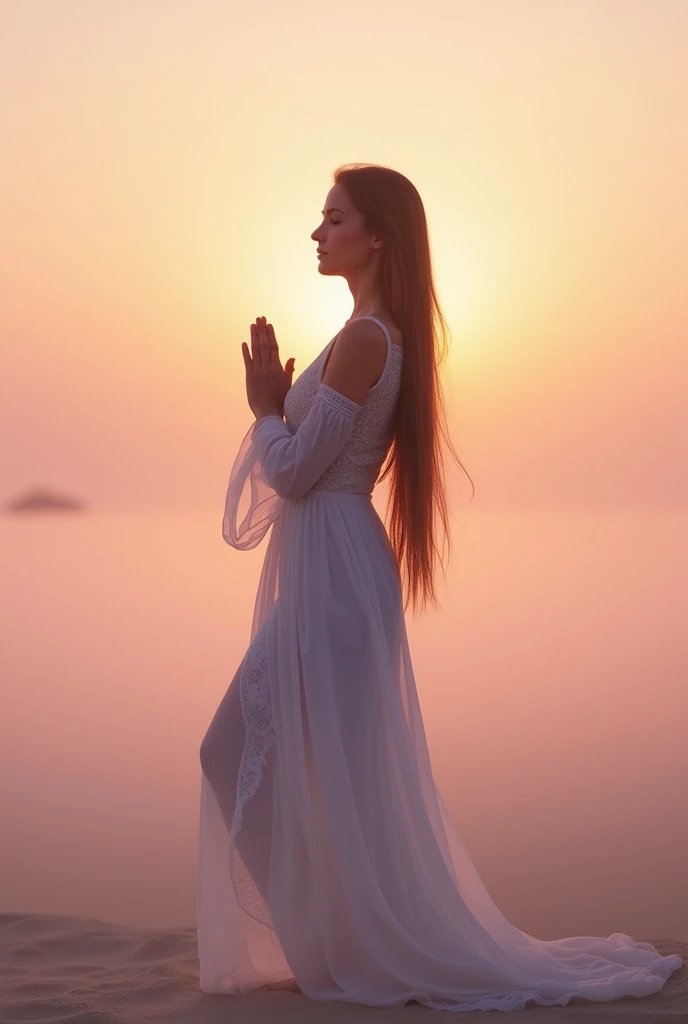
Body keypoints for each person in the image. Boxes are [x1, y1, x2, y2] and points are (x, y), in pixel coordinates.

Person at [197, 164, 682, 1011]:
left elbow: (300, 473)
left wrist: (265, 406)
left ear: (377, 234)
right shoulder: (367, 333)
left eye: (334, 218)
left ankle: (336, 946)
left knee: (259, 753)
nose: (318, 232)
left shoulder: (365, 340)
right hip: (334, 564)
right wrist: (278, 406)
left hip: (337, 570)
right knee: (294, 762)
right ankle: (333, 940)